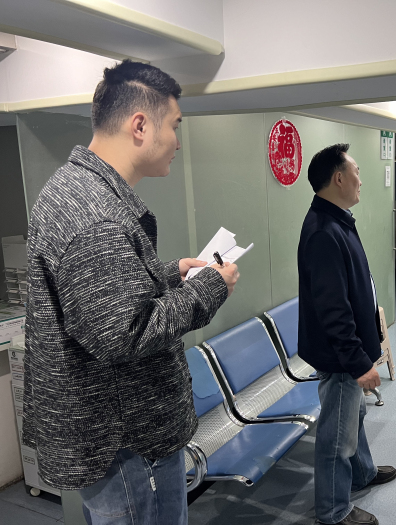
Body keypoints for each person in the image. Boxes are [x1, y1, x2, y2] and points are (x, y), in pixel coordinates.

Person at [22, 60, 239, 524]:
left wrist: (170, 274)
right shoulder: (96, 217)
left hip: (113, 434)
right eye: (175, 125)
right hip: (128, 443)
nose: (178, 141)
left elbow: (98, 303)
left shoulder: (75, 190)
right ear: (140, 125)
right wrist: (208, 289)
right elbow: (125, 334)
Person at [298, 144, 396, 525]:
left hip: (347, 352)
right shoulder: (324, 232)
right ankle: (333, 511)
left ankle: (362, 473)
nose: (360, 179)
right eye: (356, 171)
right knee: (337, 434)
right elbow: (333, 310)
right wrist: (358, 362)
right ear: (338, 178)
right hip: (339, 356)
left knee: (353, 414)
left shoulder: (337, 221)